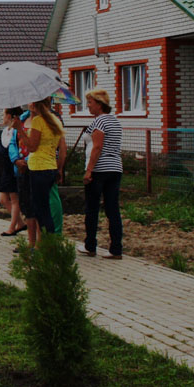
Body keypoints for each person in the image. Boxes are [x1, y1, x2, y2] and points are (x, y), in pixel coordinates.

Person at [80, 89, 124, 260]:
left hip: (99, 170)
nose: (88, 106)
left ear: (99, 104)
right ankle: (116, 248)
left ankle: (90, 245)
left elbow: (97, 147)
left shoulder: (99, 122)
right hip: (115, 168)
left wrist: (89, 169)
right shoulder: (115, 121)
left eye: (90, 102)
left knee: (92, 208)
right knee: (113, 209)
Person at [17, 97, 64, 248]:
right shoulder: (55, 120)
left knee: (40, 210)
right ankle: (50, 242)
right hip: (50, 167)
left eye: (31, 100)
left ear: (36, 103)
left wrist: (20, 129)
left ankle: (47, 245)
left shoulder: (38, 121)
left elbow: (32, 147)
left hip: (38, 168)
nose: (28, 102)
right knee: (44, 208)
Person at [0, 108, 24, 237]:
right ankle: (20, 223)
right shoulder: (4, 132)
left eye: (3, 114)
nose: (1, 117)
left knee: (14, 199)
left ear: (10, 116)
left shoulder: (16, 132)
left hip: (13, 169)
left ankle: (12, 227)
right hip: (5, 169)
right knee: (3, 199)